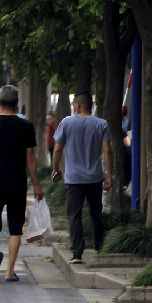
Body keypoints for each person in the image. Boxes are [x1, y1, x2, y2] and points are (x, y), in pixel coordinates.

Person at [0, 85, 44, 280]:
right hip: (17, 182)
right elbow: (30, 158)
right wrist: (37, 184)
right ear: (17, 104)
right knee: (15, 227)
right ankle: (9, 271)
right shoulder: (26, 126)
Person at [51, 92, 113, 264]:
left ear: (77, 105)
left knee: (74, 215)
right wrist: (109, 175)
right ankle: (100, 249)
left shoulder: (67, 123)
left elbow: (57, 149)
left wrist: (56, 169)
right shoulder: (101, 124)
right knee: (96, 213)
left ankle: (77, 253)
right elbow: (107, 150)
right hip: (94, 178)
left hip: (73, 179)